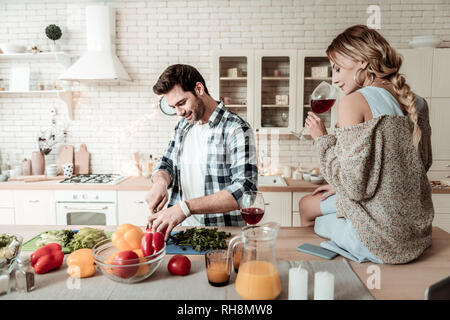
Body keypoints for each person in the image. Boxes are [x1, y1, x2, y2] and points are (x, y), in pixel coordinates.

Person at [299, 25, 433, 264]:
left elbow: (354, 189)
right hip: (415, 235)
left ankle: (325, 271)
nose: (334, 79)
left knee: (306, 208)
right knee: (319, 203)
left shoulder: (354, 102)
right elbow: (421, 164)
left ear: (361, 62)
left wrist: (321, 138)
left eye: (338, 68)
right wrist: (340, 187)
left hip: (381, 241)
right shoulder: (418, 103)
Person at [146, 64, 258, 241]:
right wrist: (160, 182)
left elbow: (245, 191)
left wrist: (185, 208)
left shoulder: (235, 129)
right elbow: (166, 163)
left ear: (199, 89)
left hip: (221, 234)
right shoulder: (184, 125)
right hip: (181, 232)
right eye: (173, 107)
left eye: (182, 103)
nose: (179, 112)